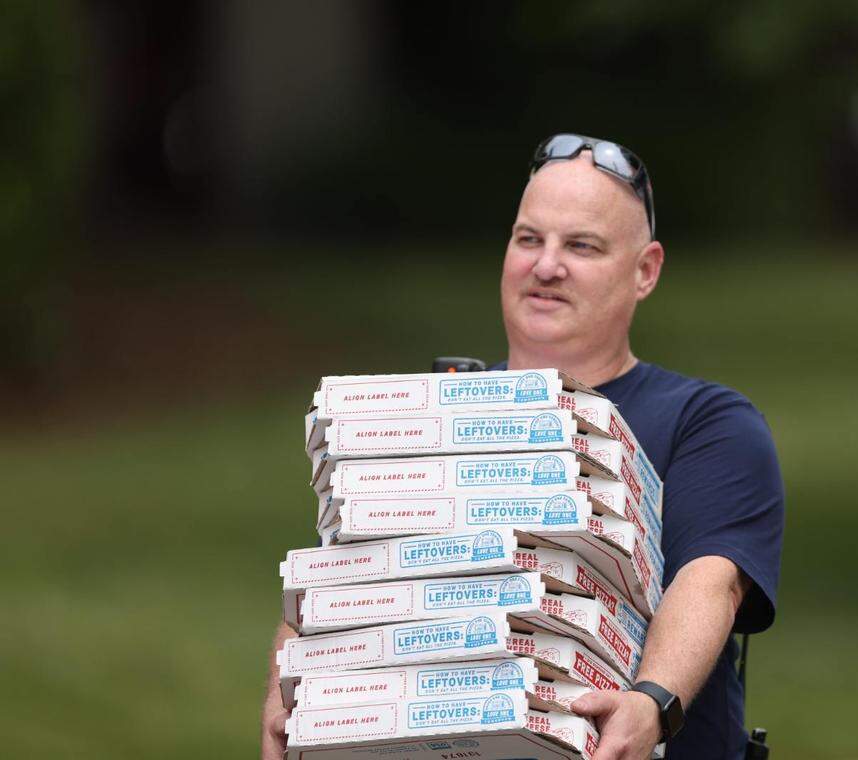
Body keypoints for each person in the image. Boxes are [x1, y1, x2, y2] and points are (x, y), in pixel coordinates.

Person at [260, 134, 785, 760]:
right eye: (529, 239)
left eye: (582, 246)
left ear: (645, 271)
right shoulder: (431, 413)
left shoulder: (708, 423)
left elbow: (711, 583)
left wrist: (651, 701)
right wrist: (291, 698)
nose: (546, 266)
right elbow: (344, 574)